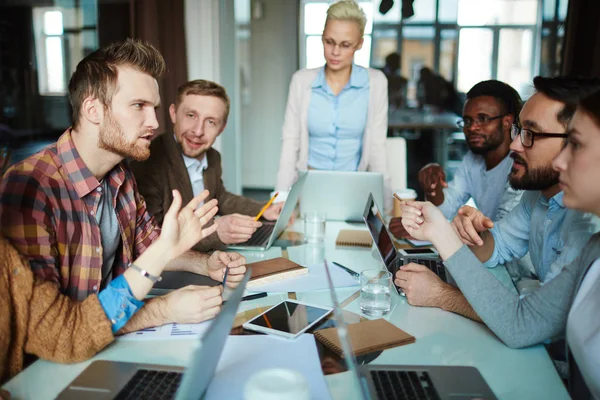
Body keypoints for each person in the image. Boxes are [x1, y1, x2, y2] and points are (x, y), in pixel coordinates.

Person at [0, 39, 246, 335]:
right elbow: (50, 329)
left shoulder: (120, 176)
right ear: (93, 109)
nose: (154, 122)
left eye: (153, 107)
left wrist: (206, 264)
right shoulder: (29, 188)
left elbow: (152, 246)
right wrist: (162, 310)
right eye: (138, 106)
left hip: (104, 345)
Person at [401, 90, 600, 398]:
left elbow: (528, 327)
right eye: (520, 131)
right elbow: (497, 247)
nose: (515, 144)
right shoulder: (555, 211)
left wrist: (442, 286)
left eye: (575, 144)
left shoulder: (587, 229)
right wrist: (463, 233)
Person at [0, 189, 217, 385]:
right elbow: (63, 335)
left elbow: (68, 329)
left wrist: (170, 254)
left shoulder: (6, 257)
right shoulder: (33, 185)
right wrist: (163, 308)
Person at [130, 79, 283, 251]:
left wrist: (264, 208)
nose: (198, 131)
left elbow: (221, 198)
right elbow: (153, 237)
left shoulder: (213, 157)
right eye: (191, 115)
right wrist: (215, 231)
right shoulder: (148, 162)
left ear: (222, 128)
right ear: (173, 113)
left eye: (210, 121)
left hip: (210, 255)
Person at [275, 0, 391, 210]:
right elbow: (290, 142)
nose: (335, 51)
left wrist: (386, 204)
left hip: (355, 189)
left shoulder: (376, 82)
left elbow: (377, 146)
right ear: (322, 38)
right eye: (329, 41)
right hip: (309, 188)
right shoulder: (302, 81)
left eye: (345, 45)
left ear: (360, 44)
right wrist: (282, 197)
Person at [390, 80, 524, 239]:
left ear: (507, 121)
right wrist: (434, 190)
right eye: (467, 121)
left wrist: (429, 232)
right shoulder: (473, 160)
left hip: (510, 261)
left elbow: (503, 235)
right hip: (489, 258)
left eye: (483, 119)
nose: (473, 127)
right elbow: (447, 207)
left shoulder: (519, 166)